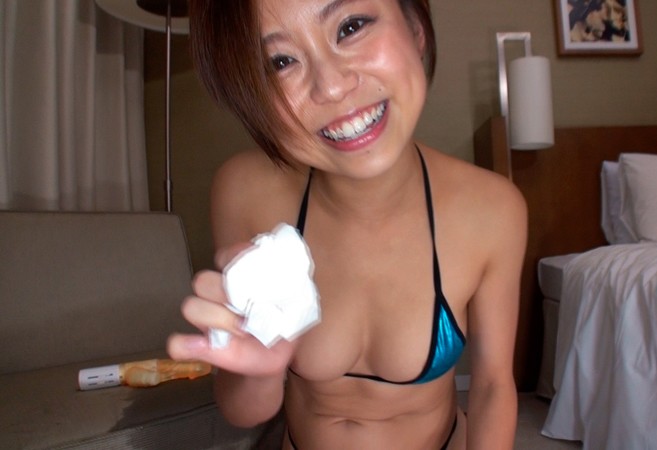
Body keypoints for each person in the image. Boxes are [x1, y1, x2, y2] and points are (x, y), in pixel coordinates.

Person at [166, 0, 527, 448]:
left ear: (416, 29)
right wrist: (261, 372)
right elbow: (243, 411)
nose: (332, 87)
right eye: (280, 62)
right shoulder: (243, 191)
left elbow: (492, 387)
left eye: (351, 27)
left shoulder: (493, 209)